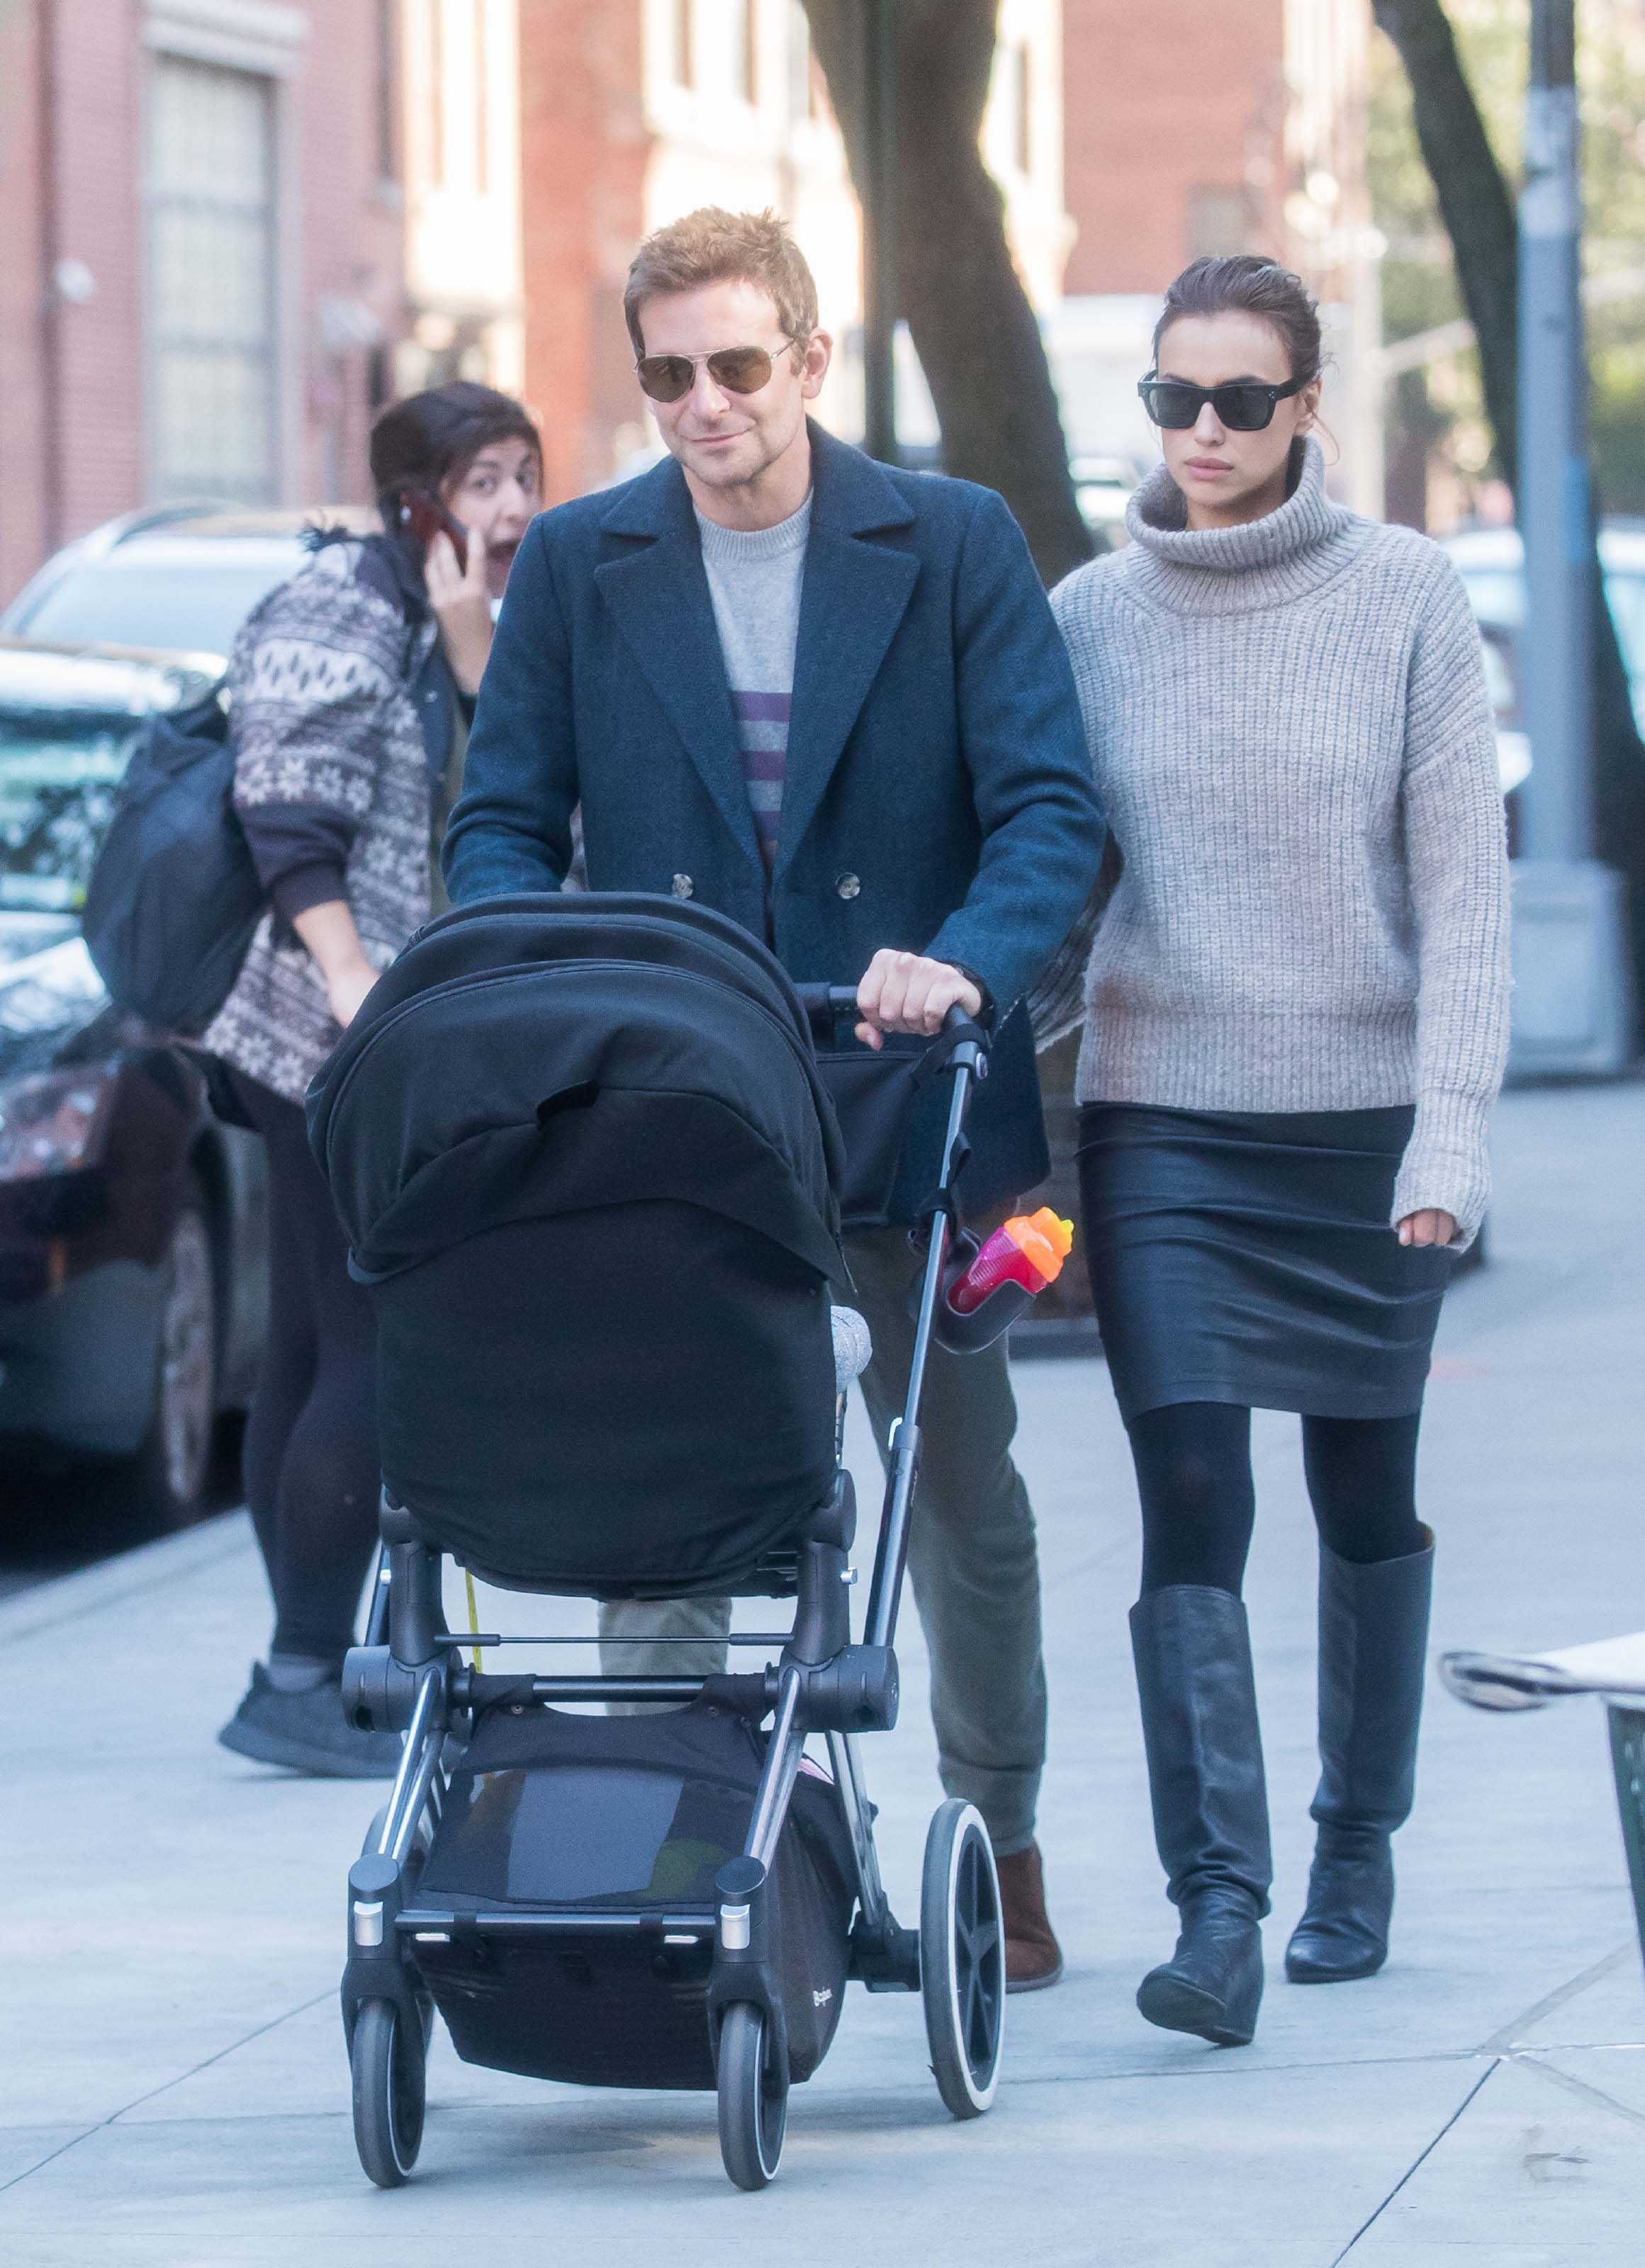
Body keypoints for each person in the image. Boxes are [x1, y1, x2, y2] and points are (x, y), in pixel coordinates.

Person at [442, 208, 1105, 1987]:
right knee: (664, 1480)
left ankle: (1006, 1834)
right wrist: (539, 967)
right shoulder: (584, 563)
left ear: (811, 359)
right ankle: (660, 1829)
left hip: (915, 1096)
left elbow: (1053, 809)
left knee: (960, 1487)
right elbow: (500, 818)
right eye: (667, 372)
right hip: (674, 1106)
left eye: (739, 364)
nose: (703, 402)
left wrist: (957, 961)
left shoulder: (951, 540)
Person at [1049, 254, 1511, 2045]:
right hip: (1162, 1112)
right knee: (1189, 1500)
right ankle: (1217, 1902)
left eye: (1244, 400)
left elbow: (1466, 897)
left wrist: (1449, 1133)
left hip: (1364, 1123)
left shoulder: (1408, 598)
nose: (1208, 434)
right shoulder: (1089, 616)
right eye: (1176, 400)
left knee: (1361, 1499)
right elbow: (1057, 883)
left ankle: (1356, 1846)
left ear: (1310, 406)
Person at [211, 380, 542, 1775]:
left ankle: (308, 1659)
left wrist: (472, 651)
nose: (514, 506)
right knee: (363, 1344)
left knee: (304, 1339)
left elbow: (491, 804)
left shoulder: (432, 612)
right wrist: (350, 980)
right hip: (322, 1033)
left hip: (346, 1037)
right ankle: (303, 1669)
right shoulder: (342, 602)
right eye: (480, 482)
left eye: (525, 473)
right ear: (415, 498)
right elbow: (284, 808)